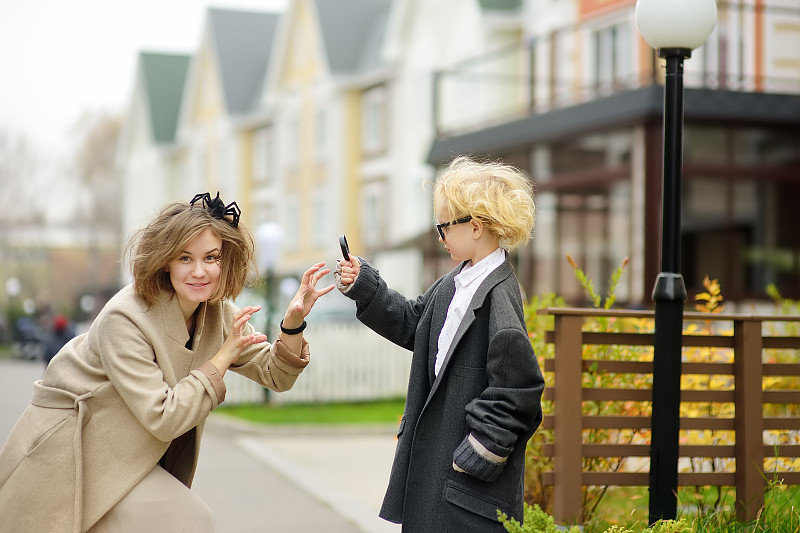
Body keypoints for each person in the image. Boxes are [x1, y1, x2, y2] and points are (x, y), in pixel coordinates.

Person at [0, 192, 334, 532]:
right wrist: (222, 358)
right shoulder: (124, 317)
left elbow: (276, 374)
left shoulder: (217, 312)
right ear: (165, 261)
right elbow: (163, 416)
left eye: (211, 257)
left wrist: (293, 322)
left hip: (132, 455)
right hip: (75, 455)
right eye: (185, 258)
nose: (200, 271)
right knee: (189, 520)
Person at [335, 156, 545, 532]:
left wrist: (477, 453)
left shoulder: (499, 296)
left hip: (467, 490)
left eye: (444, 227)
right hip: (439, 478)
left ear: (475, 226)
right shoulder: (456, 282)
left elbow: (520, 391)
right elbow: (415, 324)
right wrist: (364, 285)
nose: (441, 236)